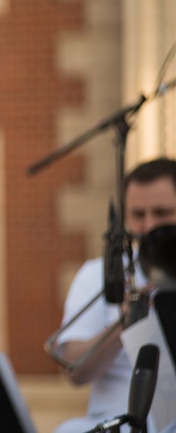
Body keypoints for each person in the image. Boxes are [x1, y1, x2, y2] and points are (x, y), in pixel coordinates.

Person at [52, 158, 176, 433]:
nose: (148, 225)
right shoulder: (97, 274)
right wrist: (124, 323)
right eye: (138, 215)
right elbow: (75, 369)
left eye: (162, 213)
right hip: (114, 423)